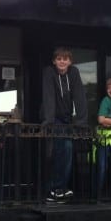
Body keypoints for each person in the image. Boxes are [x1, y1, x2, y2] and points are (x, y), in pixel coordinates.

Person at [42, 47, 88, 202]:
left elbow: (79, 95)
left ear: (70, 61)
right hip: (52, 117)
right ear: (54, 61)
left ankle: (59, 187)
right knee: (58, 151)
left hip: (66, 118)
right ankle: (54, 188)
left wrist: (81, 121)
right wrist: (48, 120)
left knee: (65, 150)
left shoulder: (73, 72)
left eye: (65, 59)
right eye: (59, 59)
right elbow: (49, 96)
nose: (62, 61)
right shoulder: (49, 72)